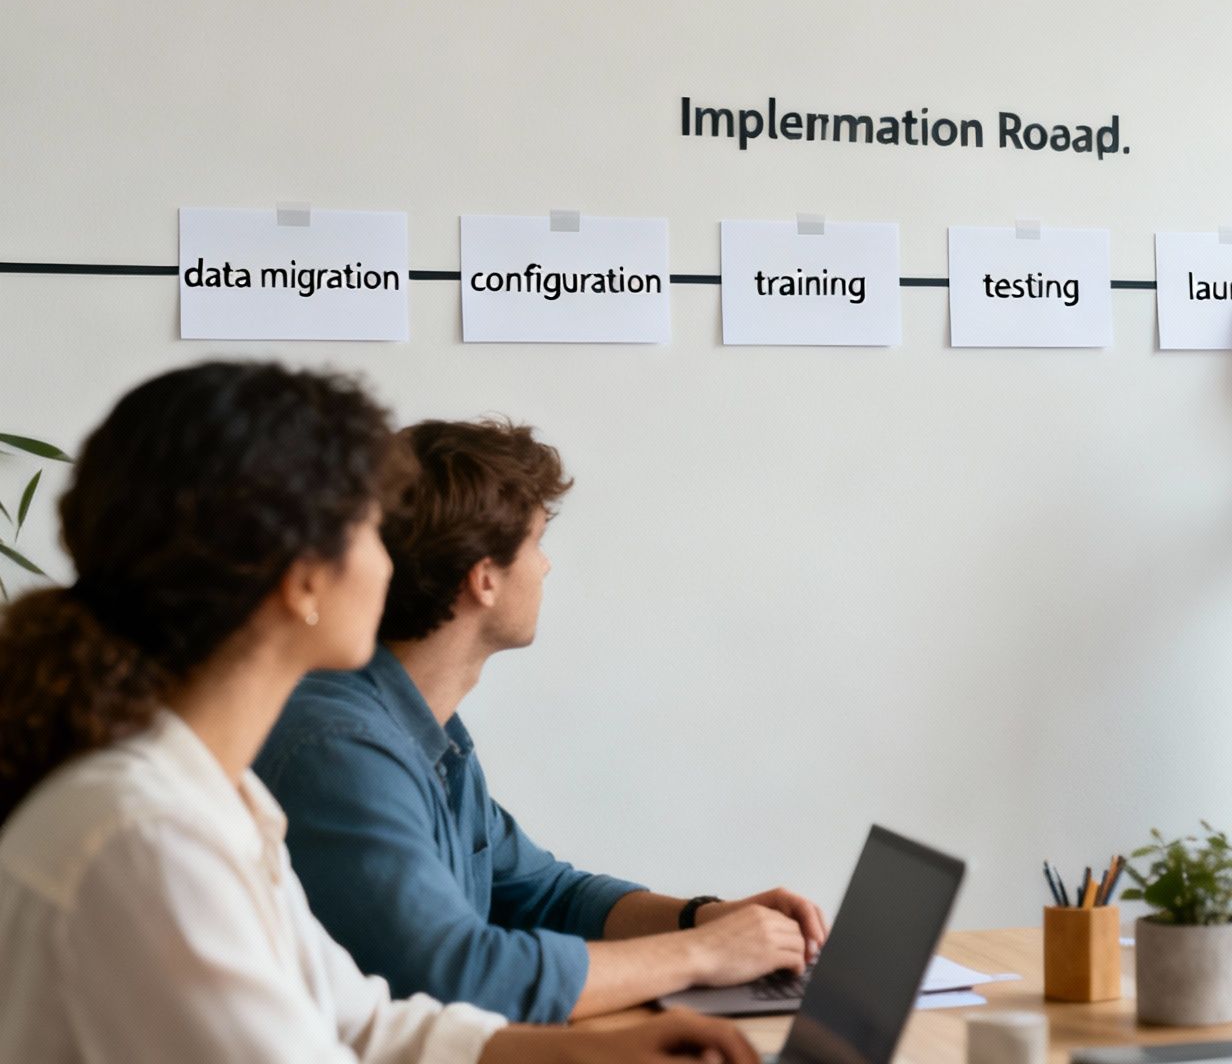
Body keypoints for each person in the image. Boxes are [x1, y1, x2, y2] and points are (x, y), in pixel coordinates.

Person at [0, 361, 756, 1063]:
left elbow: (363, 1022)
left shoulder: (217, 796)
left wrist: (591, 1055)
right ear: (301, 580)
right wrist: (694, 956)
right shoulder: (147, 838)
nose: (392, 561)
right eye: (369, 528)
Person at [256, 417, 825, 1023]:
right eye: (536, 543)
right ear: (485, 579)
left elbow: (546, 894)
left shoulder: (429, 734)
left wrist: (705, 918)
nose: (547, 567)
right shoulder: (342, 750)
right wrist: (702, 954)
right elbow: (457, 974)